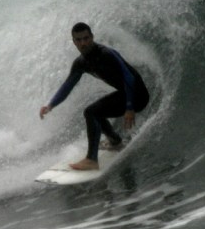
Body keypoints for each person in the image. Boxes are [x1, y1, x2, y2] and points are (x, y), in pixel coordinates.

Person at [39, 23, 150, 171]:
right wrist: (50, 105)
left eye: (86, 38)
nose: (83, 43)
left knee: (91, 112)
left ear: (92, 37)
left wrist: (129, 107)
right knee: (96, 112)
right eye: (79, 40)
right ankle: (115, 141)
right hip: (125, 94)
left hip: (138, 95)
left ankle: (91, 160)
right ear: (74, 42)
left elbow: (129, 78)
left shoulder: (106, 54)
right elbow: (68, 86)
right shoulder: (81, 63)